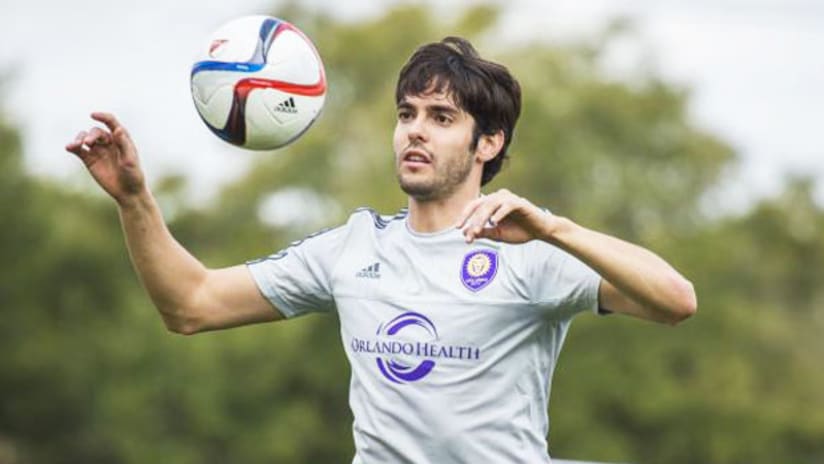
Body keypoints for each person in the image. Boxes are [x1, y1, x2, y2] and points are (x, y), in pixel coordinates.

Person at [66, 37, 696, 464]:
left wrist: (559, 230)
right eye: (407, 113)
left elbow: (676, 302)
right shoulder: (353, 248)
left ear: (488, 143)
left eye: (442, 117)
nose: (416, 130)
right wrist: (134, 199)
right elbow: (190, 304)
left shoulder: (530, 249)